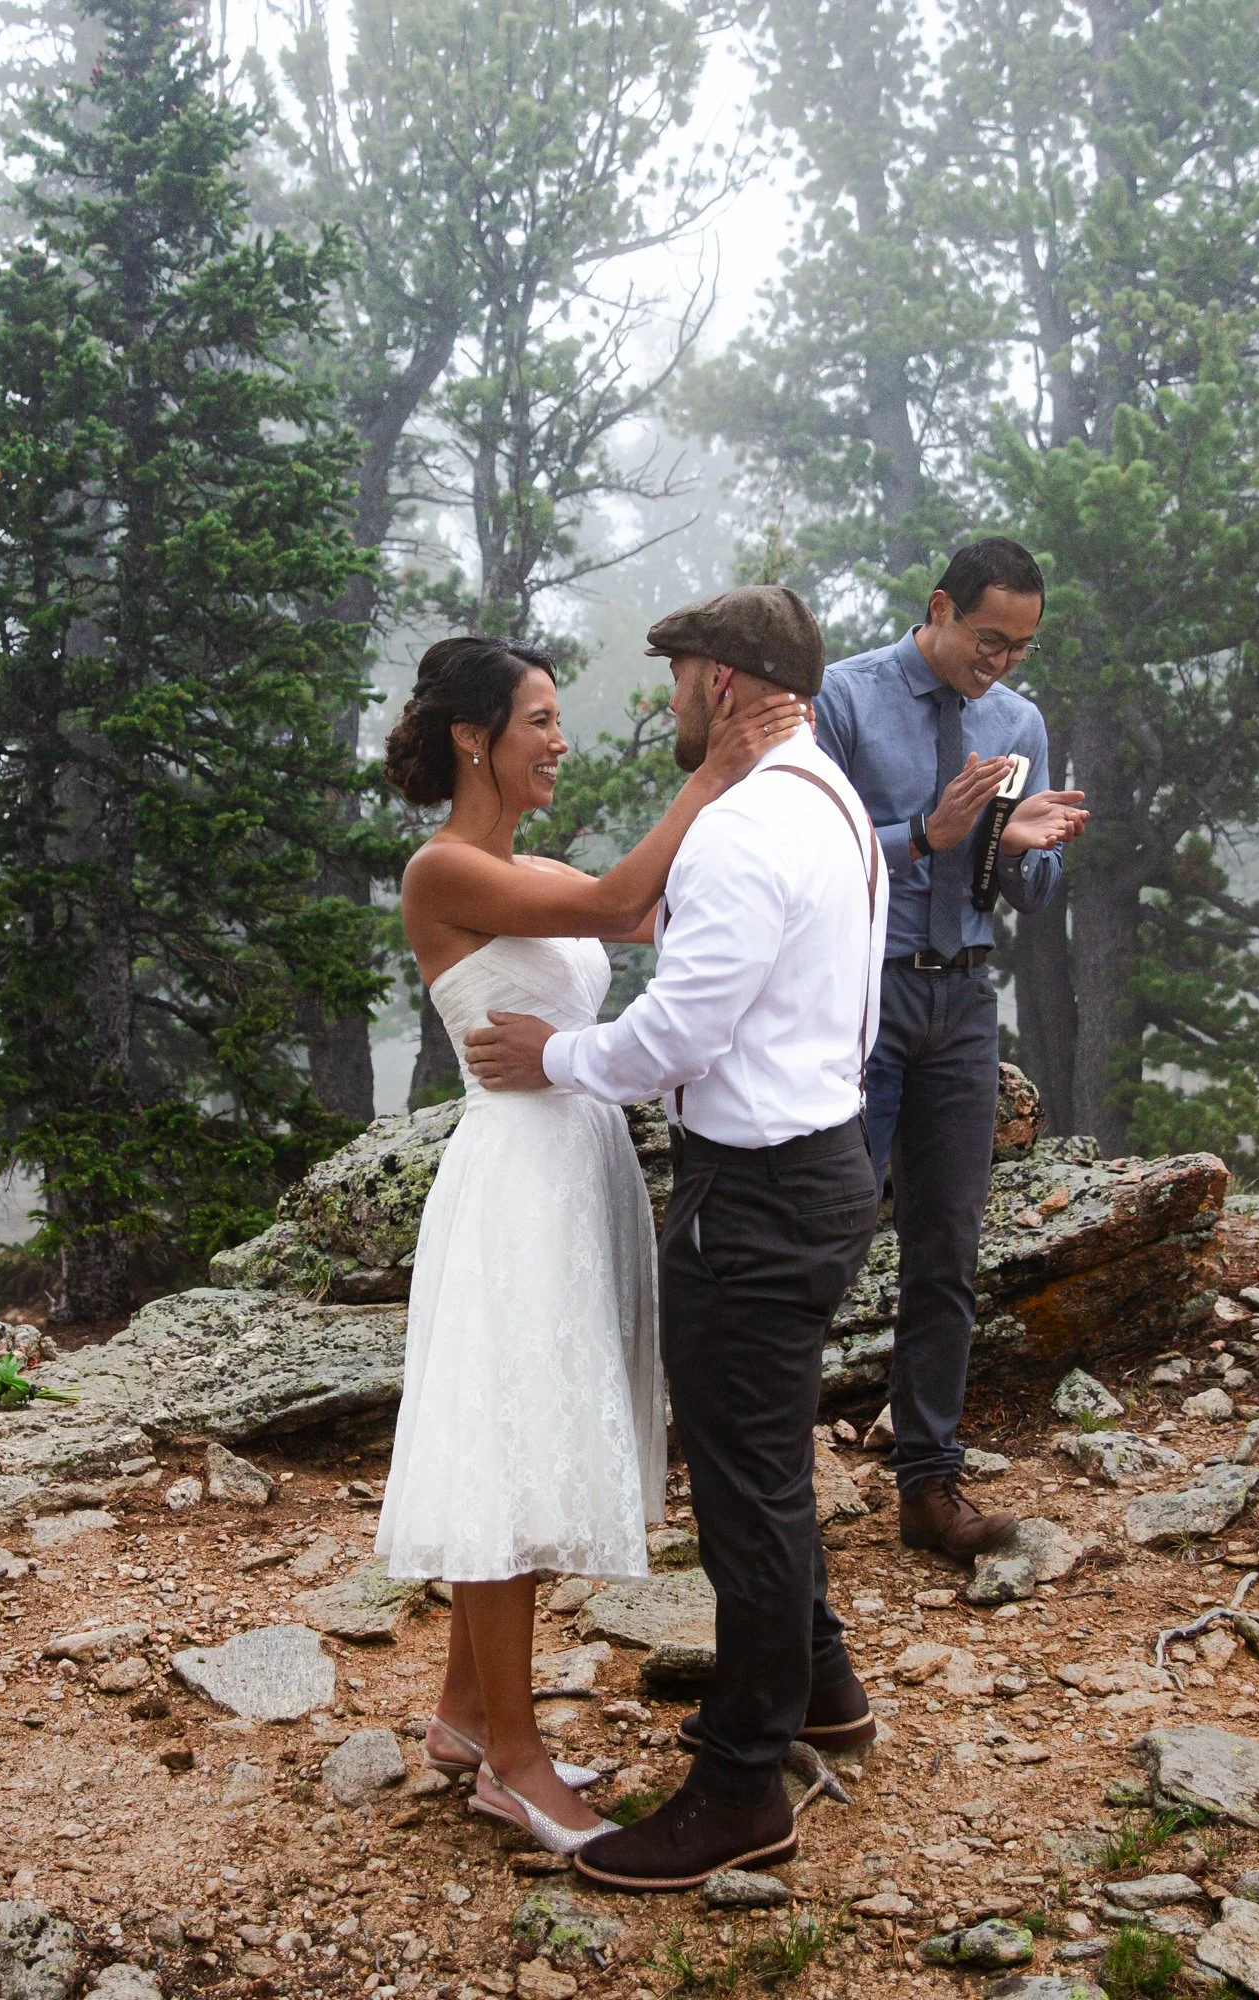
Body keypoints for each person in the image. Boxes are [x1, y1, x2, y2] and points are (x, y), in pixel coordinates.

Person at [462, 585, 890, 1893]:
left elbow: (678, 1035)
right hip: (826, 1161)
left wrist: (554, 1056)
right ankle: (822, 1688)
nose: (669, 702)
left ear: (724, 681)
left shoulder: (748, 825)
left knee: (746, 1497)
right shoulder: (831, 801)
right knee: (767, 1462)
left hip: (756, 1195)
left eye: (677, 677)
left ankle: (740, 1789)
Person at [371, 633, 805, 1860]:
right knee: (506, 1453)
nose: (560, 741)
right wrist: (708, 771)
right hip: (515, 1182)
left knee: (530, 1435)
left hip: (579, 1168)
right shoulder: (440, 871)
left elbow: (661, 906)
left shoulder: (536, 866)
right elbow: (621, 905)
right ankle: (512, 1767)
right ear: (474, 738)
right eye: (541, 720)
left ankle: (464, 1714)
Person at [813, 536, 1088, 1563]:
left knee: (947, 1251)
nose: (1000, 663)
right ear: (937, 608)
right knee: (828, 1232)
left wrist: (1022, 846)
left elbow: (1030, 894)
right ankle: (769, 1472)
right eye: (987, 640)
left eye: (1019, 647)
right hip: (861, 996)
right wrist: (929, 833)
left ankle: (928, 1485)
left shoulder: (1018, 724)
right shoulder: (843, 699)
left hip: (964, 997)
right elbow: (814, 858)